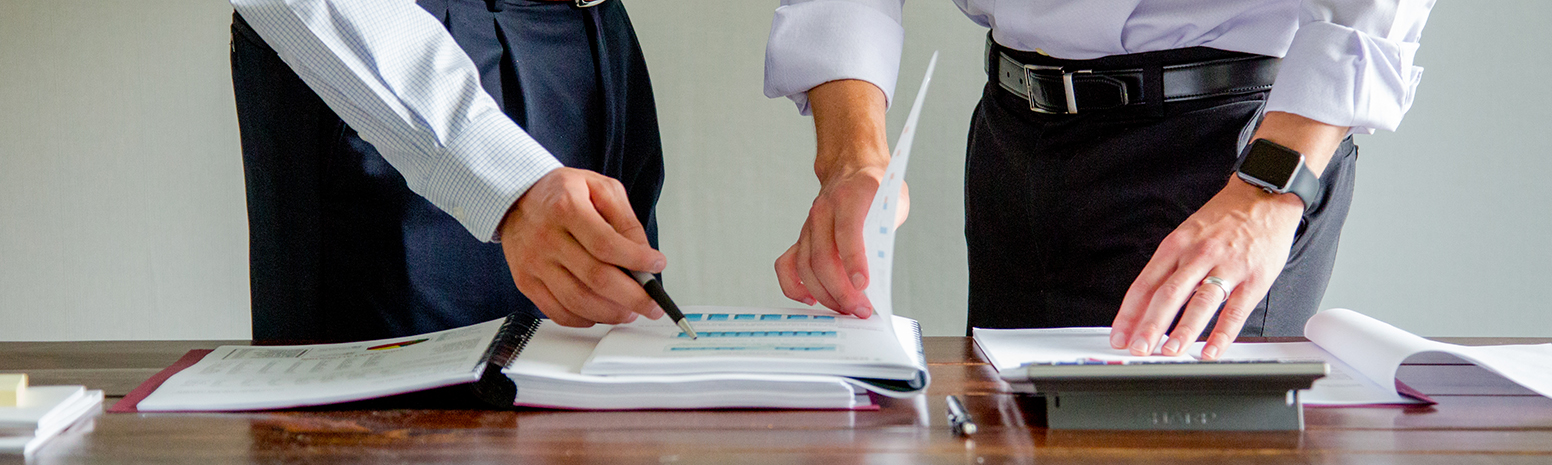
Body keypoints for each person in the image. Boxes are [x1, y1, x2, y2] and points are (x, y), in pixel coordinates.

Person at [764, 0, 1434, 359]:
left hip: (1226, 154)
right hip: (1014, 137)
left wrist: (1267, 189)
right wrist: (854, 159)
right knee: (1013, 435)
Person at [230, 0, 668, 342]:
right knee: (399, 417)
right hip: (403, 50)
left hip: (594, 40)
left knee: (602, 393)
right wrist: (505, 180)